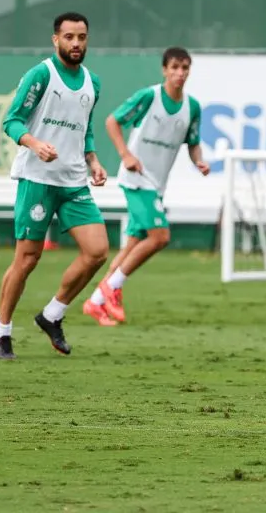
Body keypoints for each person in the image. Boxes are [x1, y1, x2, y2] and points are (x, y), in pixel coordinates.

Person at [0, 12, 109, 359]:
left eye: (82, 37)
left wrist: (94, 160)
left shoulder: (93, 83)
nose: (76, 43)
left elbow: (84, 128)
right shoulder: (41, 75)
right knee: (27, 260)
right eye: (69, 37)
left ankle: (52, 314)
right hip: (38, 181)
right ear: (56, 39)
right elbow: (11, 120)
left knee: (98, 252)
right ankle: (2, 332)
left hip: (73, 182)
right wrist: (34, 143)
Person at [82, 47, 209, 326]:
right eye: (174, 67)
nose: (180, 73)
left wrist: (199, 161)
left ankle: (96, 302)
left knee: (133, 246)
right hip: (136, 179)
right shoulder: (149, 96)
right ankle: (111, 288)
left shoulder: (192, 107)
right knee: (160, 236)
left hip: (157, 184)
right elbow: (112, 121)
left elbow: (193, 142)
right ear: (164, 69)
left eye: (185, 68)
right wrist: (126, 155)